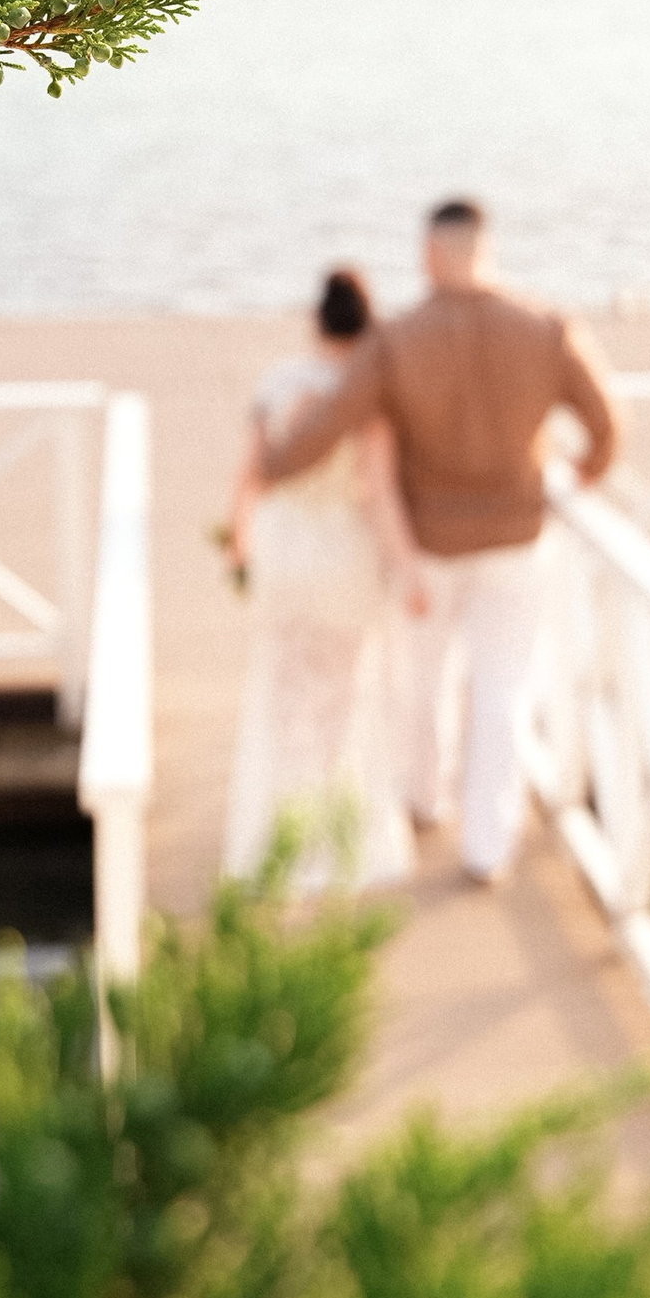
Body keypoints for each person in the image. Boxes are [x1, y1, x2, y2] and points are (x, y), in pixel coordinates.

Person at [258, 200, 619, 884]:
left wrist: (267, 465)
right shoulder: (545, 331)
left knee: (424, 681)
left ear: (430, 255)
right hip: (516, 537)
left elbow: (328, 426)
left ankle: (426, 800)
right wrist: (586, 470)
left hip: (429, 543)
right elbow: (606, 425)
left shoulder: (397, 342)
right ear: (486, 248)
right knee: (502, 691)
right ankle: (489, 845)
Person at [222, 265, 423, 890]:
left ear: (317, 321)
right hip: (343, 551)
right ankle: (334, 841)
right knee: (341, 693)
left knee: (282, 692)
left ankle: (279, 835)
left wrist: (239, 538)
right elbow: (380, 496)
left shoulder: (277, 383)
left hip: (284, 546)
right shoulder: (366, 392)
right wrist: (408, 567)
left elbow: (250, 473)